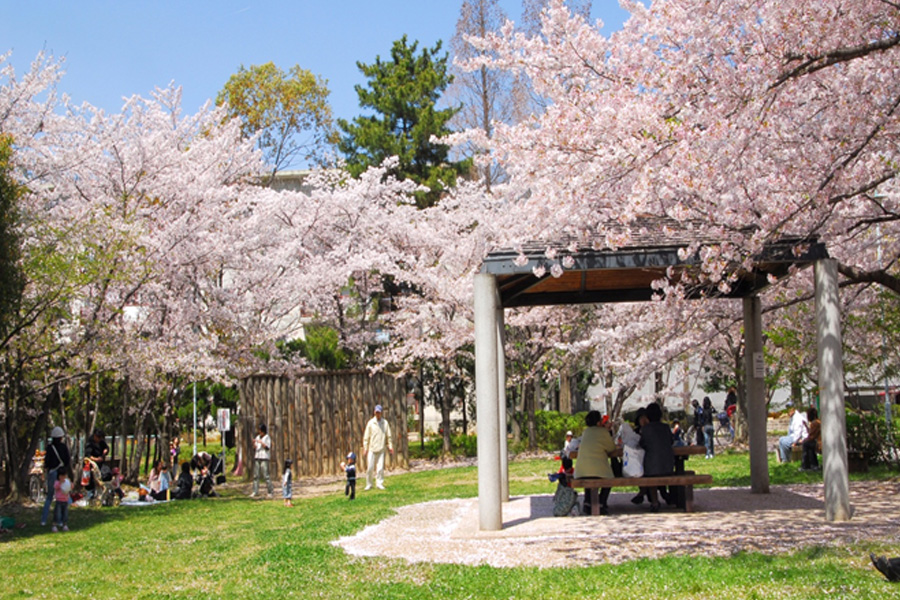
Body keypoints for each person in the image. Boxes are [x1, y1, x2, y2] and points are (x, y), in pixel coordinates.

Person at [573, 410, 617, 516]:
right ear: (598, 422)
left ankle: (587, 502)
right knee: (609, 478)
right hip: (599, 470)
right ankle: (601, 502)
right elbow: (611, 448)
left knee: (589, 474)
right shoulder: (603, 432)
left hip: (581, 471)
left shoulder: (586, 432)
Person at [640, 402, 675, 512]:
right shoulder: (666, 427)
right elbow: (671, 441)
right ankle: (669, 496)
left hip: (652, 467)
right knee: (660, 469)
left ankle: (654, 502)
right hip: (668, 465)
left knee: (650, 472)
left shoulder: (645, 429)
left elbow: (642, 444)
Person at [42, 426, 71, 528]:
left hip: (52, 472)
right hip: (61, 473)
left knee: (49, 497)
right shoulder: (63, 447)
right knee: (62, 498)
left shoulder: (50, 448)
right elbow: (67, 460)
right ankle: (61, 521)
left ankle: (44, 520)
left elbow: (47, 462)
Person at [363, 405, 393, 491]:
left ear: (381, 413)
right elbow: (366, 436)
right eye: (376, 412)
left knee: (380, 468)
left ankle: (379, 483)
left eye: (379, 412)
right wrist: (365, 448)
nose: (378, 414)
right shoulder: (370, 423)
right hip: (372, 449)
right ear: (374, 412)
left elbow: (389, 436)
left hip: (381, 449)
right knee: (370, 468)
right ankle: (369, 484)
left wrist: (390, 446)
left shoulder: (385, 423)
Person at [252, 424, 274, 498]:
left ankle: (270, 491)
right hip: (257, 456)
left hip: (264, 457)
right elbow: (255, 448)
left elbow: (267, 447)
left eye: (261, 431)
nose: (259, 432)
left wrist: (261, 442)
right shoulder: (257, 437)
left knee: (266, 475)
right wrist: (254, 444)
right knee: (256, 475)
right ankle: (255, 491)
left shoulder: (267, 437)